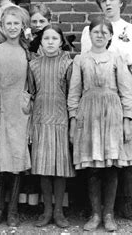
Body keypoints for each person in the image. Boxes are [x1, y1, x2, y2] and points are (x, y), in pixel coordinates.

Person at [67, 18, 132, 232]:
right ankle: (95, 214)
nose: (100, 35)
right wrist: (73, 122)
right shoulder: (80, 60)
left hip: (112, 115)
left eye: (104, 32)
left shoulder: (116, 59)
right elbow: (73, 94)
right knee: (92, 167)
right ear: (89, 34)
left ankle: (109, 214)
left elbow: (127, 92)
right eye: (95, 32)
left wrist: (127, 122)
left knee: (111, 167)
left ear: (110, 36)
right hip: (88, 115)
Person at [81, 0, 132, 218]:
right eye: (103, 0)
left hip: (125, 98)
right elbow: (86, 66)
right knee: (100, 150)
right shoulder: (89, 31)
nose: (108, 3)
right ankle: (97, 210)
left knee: (124, 148)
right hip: (97, 100)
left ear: (121, 2)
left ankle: (127, 202)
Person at [0, 6, 31, 227]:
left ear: (23, 26)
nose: (12, 28)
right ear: (2, 27)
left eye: (16, 24)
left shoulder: (27, 51)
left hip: (20, 112)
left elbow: (32, 83)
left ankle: (12, 210)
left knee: (15, 161)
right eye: (8, 24)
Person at [28, 24, 75, 228]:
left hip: (60, 120)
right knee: (44, 168)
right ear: (40, 41)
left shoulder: (68, 63)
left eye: (54, 38)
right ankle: (47, 210)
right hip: (40, 119)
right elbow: (30, 93)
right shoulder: (33, 65)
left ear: (61, 41)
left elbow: (73, 94)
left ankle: (59, 212)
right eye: (46, 38)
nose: (50, 42)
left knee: (60, 167)